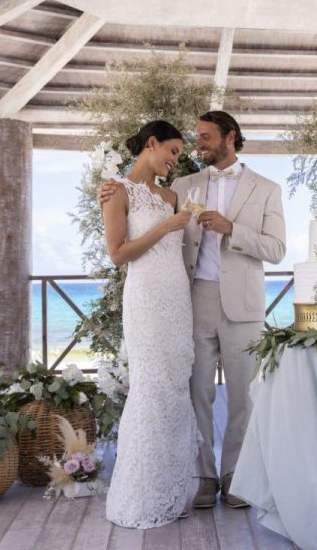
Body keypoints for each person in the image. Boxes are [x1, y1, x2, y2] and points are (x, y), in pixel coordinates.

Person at [100, 110, 286, 509]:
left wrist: (232, 228)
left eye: (204, 138)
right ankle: (203, 475)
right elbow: (136, 198)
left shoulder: (267, 189)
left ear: (229, 137)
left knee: (243, 397)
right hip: (189, 298)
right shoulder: (181, 186)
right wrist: (106, 189)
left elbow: (276, 249)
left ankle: (237, 474)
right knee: (196, 392)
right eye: (195, 139)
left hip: (244, 306)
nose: (197, 145)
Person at [102, 120, 199, 528]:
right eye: (172, 151)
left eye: (179, 155)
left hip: (178, 302)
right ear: (151, 143)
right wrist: (165, 227)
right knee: (150, 390)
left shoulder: (173, 195)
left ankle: (171, 489)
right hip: (144, 301)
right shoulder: (116, 191)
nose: (175, 160)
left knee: (175, 390)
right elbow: (118, 254)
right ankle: (139, 497)